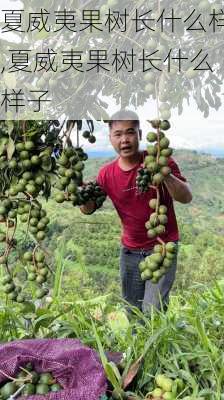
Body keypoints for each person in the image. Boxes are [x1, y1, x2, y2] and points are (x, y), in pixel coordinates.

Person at [80, 110, 192, 313]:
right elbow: (88, 209)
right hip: (130, 251)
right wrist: (79, 193)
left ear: (140, 135)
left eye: (130, 132)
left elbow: (186, 197)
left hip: (162, 247)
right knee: (132, 311)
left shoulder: (157, 160)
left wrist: (164, 173)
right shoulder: (106, 174)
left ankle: (156, 344)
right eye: (118, 134)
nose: (124, 139)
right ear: (111, 138)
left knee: (153, 313)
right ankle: (134, 347)